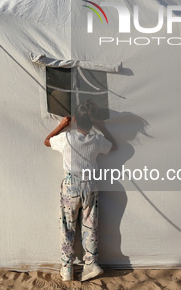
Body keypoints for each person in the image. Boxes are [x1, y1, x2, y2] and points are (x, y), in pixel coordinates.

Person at [44, 99, 117, 282]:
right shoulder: (97, 139)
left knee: (67, 226)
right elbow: (113, 146)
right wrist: (102, 128)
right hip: (90, 185)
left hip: (71, 186)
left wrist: (61, 125)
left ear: (74, 119)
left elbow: (46, 141)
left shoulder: (66, 138)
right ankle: (90, 264)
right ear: (93, 122)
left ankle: (67, 268)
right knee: (90, 226)